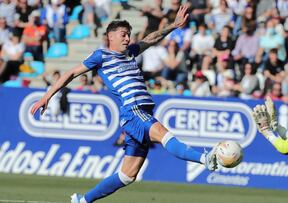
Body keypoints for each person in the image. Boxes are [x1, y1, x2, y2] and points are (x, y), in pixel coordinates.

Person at [30, 5, 218, 203]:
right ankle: (204, 159)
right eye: (123, 35)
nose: (128, 38)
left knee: (127, 175)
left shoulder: (130, 52)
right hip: (133, 110)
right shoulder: (100, 56)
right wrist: (47, 96)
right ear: (111, 37)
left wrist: (173, 25)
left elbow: (151, 39)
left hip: (139, 113)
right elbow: (70, 73)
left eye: (128, 34)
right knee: (165, 136)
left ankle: (82, 200)